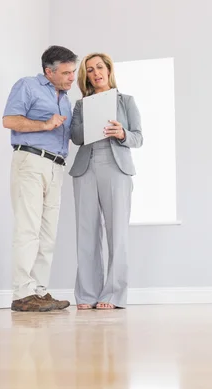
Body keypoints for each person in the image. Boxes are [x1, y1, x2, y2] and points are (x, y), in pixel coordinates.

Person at [2, 45, 78, 312]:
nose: (72, 78)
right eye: (67, 72)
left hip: (57, 166)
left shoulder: (65, 99)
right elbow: (10, 120)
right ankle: (22, 294)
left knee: (48, 233)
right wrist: (44, 124)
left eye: (73, 72)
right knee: (28, 228)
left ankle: (39, 291)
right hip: (31, 161)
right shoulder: (27, 86)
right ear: (49, 71)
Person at [69, 53, 143, 309]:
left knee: (117, 232)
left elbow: (138, 138)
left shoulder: (126, 101)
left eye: (100, 67)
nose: (96, 73)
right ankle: (87, 295)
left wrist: (122, 133)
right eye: (89, 70)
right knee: (86, 232)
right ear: (86, 76)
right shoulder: (80, 105)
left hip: (116, 167)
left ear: (109, 70)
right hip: (86, 167)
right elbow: (76, 137)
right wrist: (90, 118)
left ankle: (113, 295)